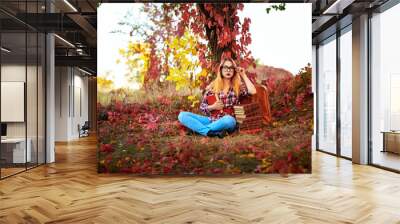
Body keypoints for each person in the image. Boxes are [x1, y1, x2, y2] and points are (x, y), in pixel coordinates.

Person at [178, 58, 257, 138]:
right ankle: (210, 132)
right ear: (221, 70)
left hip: (228, 121)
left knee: (228, 120)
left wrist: (243, 74)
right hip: (211, 120)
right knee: (182, 115)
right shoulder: (213, 88)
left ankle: (198, 130)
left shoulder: (237, 87)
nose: (228, 70)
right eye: (225, 67)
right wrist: (213, 107)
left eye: (231, 68)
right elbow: (202, 107)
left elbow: (253, 91)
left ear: (234, 70)